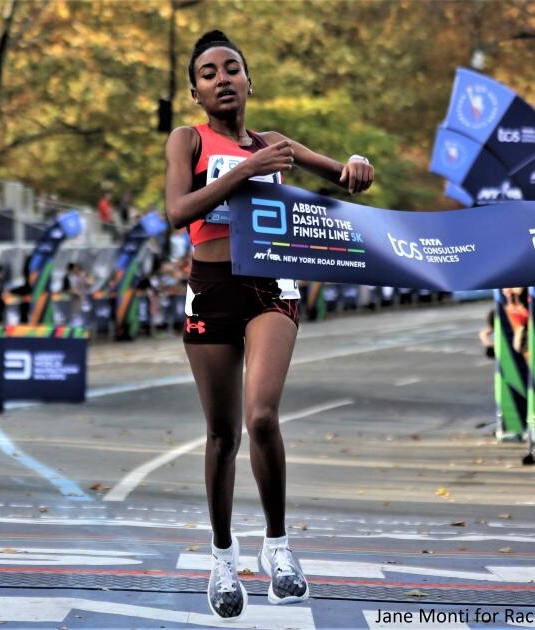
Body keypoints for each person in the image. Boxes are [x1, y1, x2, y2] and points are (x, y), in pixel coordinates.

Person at [164, 30, 374, 619]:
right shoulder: (187, 140)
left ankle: (278, 547)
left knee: (260, 416)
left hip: (270, 287)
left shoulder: (275, 144)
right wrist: (248, 170)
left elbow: (345, 177)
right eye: (208, 73)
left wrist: (357, 164)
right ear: (196, 92)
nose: (222, 79)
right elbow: (178, 211)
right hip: (211, 288)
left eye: (232, 68)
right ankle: (222, 557)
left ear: (249, 81)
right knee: (221, 434)